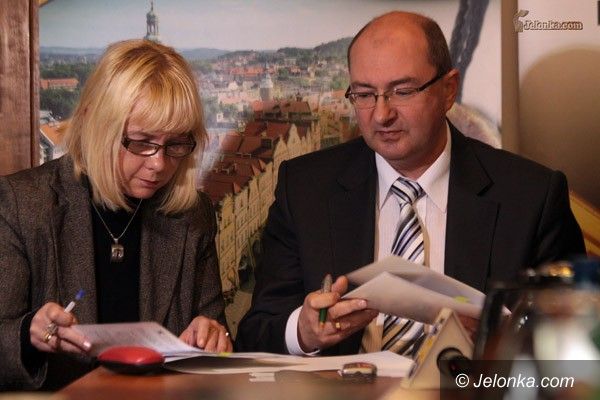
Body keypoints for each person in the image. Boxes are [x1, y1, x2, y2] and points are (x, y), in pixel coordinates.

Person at [236, 11, 584, 356]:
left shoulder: (531, 198)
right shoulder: (304, 188)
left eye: (402, 91)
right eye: (364, 95)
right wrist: (304, 332)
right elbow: (256, 333)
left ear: (448, 90)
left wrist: (506, 339)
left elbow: (578, 348)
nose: (382, 115)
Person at [0, 39, 232, 391]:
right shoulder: (22, 204)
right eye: (141, 141)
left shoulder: (191, 214)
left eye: (175, 144)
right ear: (95, 123)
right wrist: (27, 335)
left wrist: (213, 338)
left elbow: (216, 339)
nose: (159, 164)